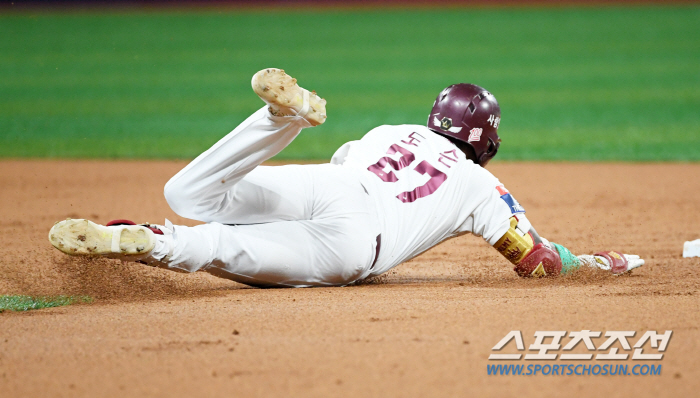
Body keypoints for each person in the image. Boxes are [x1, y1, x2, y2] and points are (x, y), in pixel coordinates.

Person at [48, 68, 644, 287]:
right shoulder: (482, 187)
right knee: (226, 247)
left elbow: (340, 169)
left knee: (193, 194)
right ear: (486, 141)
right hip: (355, 242)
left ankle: (281, 116)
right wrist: (599, 263)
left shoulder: (392, 131)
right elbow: (537, 262)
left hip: (332, 184)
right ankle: (154, 241)